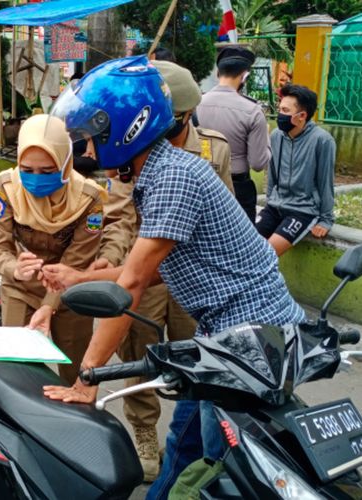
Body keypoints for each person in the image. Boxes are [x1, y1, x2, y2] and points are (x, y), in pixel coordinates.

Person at [39, 56, 305, 500]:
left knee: (221, 473)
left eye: (90, 138)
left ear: (125, 130)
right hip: (222, 337)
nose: (86, 151)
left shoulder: (172, 178)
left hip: (251, 346)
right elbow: (152, 266)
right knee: (184, 442)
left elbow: (132, 285)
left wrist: (87, 379)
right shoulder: (159, 171)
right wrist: (81, 275)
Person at [86, 59, 235, 482]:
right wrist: (113, 263)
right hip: (144, 269)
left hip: (193, 285)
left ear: (185, 116)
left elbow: (221, 219)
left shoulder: (212, 149)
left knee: (195, 366)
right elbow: (119, 218)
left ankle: (187, 448)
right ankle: (144, 431)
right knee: (141, 357)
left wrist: (87, 374)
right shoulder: (128, 148)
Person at [0, 114, 104, 384]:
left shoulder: (89, 198)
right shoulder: (7, 187)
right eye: (26, 169)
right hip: (21, 286)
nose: (35, 179)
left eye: (48, 172)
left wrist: (49, 306)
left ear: (65, 163)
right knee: (18, 372)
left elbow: (77, 261)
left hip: (71, 291)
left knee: (78, 375)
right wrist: (14, 268)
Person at [257, 84, 335, 256]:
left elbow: (325, 182)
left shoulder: (322, 141)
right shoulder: (277, 136)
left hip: (302, 211)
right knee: (245, 246)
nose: (280, 115)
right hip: (275, 207)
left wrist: (326, 220)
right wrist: (271, 201)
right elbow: (273, 174)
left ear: (302, 116)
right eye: (279, 109)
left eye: (285, 110)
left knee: (265, 255)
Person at [198, 45, 271, 223]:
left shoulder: (196, 103)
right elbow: (258, 163)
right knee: (239, 246)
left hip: (200, 182)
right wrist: (267, 140)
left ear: (218, 73)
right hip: (237, 188)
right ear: (245, 76)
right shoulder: (252, 111)